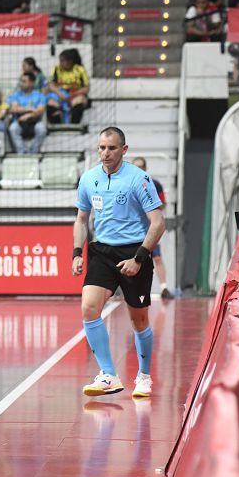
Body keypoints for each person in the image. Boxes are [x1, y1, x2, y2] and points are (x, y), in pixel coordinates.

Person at [73, 127, 165, 398]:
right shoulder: (89, 179)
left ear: (124, 150)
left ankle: (144, 376)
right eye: (101, 148)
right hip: (102, 252)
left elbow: (158, 223)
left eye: (111, 148)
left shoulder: (139, 179)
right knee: (89, 307)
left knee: (138, 320)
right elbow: (81, 219)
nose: (105, 153)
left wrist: (139, 258)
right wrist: (78, 252)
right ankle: (108, 375)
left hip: (134, 252)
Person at [132, 157, 173, 300]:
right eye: (136, 166)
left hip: (150, 229)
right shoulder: (127, 184)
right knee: (133, 258)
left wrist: (150, 204)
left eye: (141, 167)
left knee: (157, 257)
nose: (139, 169)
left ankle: (164, 288)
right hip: (134, 229)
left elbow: (162, 204)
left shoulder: (154, 184)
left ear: (146, 168)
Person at [45, 48, 90, 124]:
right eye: (60, 60)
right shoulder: (56, 69)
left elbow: (86, 88)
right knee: (51, 102)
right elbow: (51, 85)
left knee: (79, 101)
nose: (60, 63)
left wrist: (73, 95)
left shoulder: (79, 69)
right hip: (60, 94)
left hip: (75, 94)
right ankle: (56, 121)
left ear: (70, 61)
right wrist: (59, 93)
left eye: (63, 61)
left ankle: (74, 123)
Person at [7, 71, 47, 154]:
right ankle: (21, 152)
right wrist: (30, 109)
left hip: (34, 122)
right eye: (21, 81)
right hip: (19, 122)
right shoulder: (16, 95)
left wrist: (28, 116)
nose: (21, 83)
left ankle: (33, 152)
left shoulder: (39, 95)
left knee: (42, 129)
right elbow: (14, 109)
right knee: (13, 128)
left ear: (31, 83)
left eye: (24, 81)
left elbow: (40, 110)